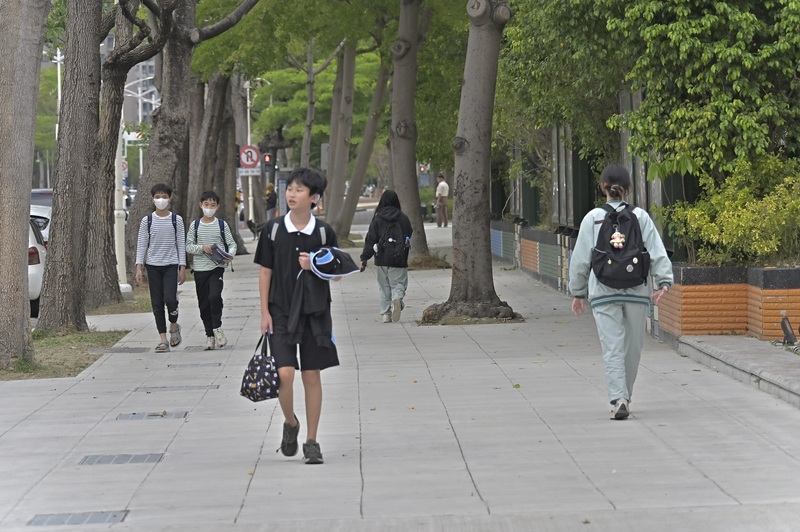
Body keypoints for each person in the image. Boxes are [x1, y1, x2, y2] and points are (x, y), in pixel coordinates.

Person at [568, 164, 673, 420]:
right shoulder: (641, 217)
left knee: (612, 346)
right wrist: (664, 282)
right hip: (637, 291)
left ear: (603, 187)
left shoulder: (592, 218)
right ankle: (626, 394)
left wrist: (578, 293)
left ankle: (619, 398)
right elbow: (657, 251)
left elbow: (581, 259)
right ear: (627, 188)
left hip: (603, 292)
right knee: (633, 347)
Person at [254, 167, 339, 465]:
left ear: (314, 197)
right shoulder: (273, 229)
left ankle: (312, 441)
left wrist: (314, 264)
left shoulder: (324, 231)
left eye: (299, 190)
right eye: (290, 188)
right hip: (279, 311)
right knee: (284, 374)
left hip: (314, 313)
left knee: (311, 375)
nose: (292, 194)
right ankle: (291, 422)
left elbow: (337, 274)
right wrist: (264, 312)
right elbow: (266, 272)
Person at [135, 183, 187, 353]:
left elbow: (180, 243)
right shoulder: (147, 221)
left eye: (164, 196)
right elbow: (142, 244)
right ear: (152, 199)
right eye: (157, 197)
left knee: (171, 299)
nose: (161, 200)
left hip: (171, 264)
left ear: (170, 198)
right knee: (157, 303)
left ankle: (174, 326)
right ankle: (163, 339)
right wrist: (139, 266)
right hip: (153, 266)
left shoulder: (176, 220)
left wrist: (182, 266)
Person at [185, 190, 237, 351]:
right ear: (201, 205)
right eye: (206, 204)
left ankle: (217, 328)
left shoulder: (221, 225)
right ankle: (209, 335)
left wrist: (230, 255)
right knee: (204, 303)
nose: (209, 208)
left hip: (217, 268)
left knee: (214, 296)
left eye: (212, 205)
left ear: (217, 207)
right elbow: (188, 246)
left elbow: (231, 243)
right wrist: (202, 248)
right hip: (200, 269)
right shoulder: (195, 225)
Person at [359, 190, 413, 323]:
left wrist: (364, 258)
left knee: (384, 287)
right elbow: (408, 233)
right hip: (399, 258)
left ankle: (386, 314)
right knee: (399, 283)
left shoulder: (378, 217)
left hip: (381, 257)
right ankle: (397, 299)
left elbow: (371, 238)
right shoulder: (402, 217)